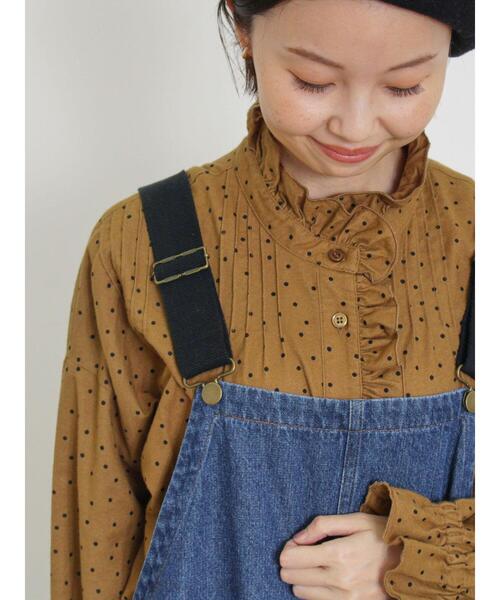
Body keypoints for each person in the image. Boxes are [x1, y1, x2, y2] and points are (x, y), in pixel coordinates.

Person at [50, 1, 475, 598]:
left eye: (404, 86)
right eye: (313, 81)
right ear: (242, 28)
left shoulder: (479, 235)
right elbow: (93, 529)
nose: (355, 127)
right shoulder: (142, 240)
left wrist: (427, 557)